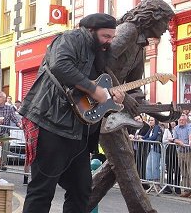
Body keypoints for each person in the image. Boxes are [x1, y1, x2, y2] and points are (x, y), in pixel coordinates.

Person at [19, 13, 125, 213]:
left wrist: (111, 97)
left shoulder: (98, 53)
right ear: (91, 31)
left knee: (81, 190)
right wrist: (95, 90)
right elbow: (60, 65)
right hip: (51, 123)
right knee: (42, 190)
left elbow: (90, 96)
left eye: (112, 37)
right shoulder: (71, 38)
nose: (109, 41)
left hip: (78, 131)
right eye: (105, 36)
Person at [89, 0, 176, 213]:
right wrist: (122, 95)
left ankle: (79, 205)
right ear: (152, 18)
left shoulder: (141, 45)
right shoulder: (127, 31)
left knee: (119, 161)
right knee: (124, 157)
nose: (167, 28)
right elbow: (100, 64)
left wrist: (159, 114)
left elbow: (135, 89)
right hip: (97, 99)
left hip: (111, 105)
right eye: (165, 21)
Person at [0, 91, 22, 169]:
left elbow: (15, 118)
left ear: (4, 99)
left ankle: (3, 164)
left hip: (4, 132)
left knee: (6, 142)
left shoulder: (9, 109)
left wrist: (20, 124)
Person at [173, 114, 191, 198]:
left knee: (190, 172)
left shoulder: (190, 126)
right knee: (183, 172)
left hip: (189, 151)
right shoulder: (176, 128)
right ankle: (186, 190)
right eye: (180, 120)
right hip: (180, 152)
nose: (181, 121)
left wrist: (190, 141)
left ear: (186, 120)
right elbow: (174, 139)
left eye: (183, 120)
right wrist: (179, 142)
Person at [142, 117, 162, 188]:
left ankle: (156, 184)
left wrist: (145, 140)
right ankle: (152, 183)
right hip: (151, 149)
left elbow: (154, 137)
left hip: (156, 149)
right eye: (149, 120)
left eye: (152, 120)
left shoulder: (157, 127)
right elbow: (145, 136)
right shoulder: (151, 128)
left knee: (155, 166)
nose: (150, 121)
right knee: (149, 166)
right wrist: (139, 137)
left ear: (155, 121)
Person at [162, 121, 181, 194]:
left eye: (174, 122)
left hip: (177, 151)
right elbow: (164, 140)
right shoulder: (167, 130)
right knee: (169, 169)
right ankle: (169, 186)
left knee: (177, 170)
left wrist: (173, 140)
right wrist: (171, 140)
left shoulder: (178, 130)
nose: (172, 123)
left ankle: (177, 187)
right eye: (171, 122)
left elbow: (179, 139)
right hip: (169, 151)